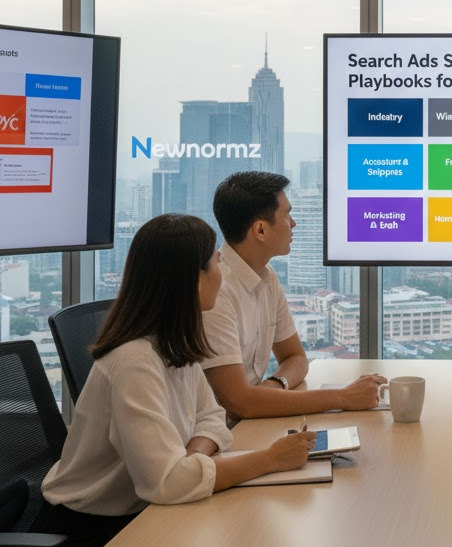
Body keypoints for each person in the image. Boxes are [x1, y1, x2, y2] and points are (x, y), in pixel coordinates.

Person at [34, 214, 316, 547]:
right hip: (91, 529)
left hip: (146, 510)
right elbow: (167, 483)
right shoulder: (134, 362)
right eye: (215, 263)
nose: (220, 275)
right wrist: (269, 459)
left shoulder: (171, 342)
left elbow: (211, 419)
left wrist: (191, 460)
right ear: (195, 280)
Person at [201, 171, 385, 420]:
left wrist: (274, 386)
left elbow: (296, 357)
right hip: (220, 438)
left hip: (251, 424)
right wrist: (342, 397)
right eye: (286, 214)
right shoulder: (216, 293)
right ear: (261, 230)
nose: (293, 223)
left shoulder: (266, 276)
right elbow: (239, 404)